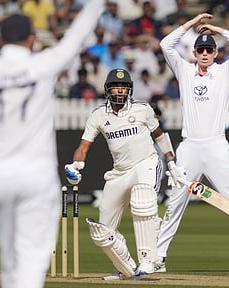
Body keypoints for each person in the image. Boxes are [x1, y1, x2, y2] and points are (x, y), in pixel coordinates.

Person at [0, 0, 105, 287]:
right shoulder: (44, 63)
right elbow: (77, 34)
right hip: (34, 173)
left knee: (11, 262)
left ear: (1, 38)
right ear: (31, 39)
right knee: (30, 260)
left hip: (2, 175)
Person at [155, 13, 229, 273]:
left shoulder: (225, 71)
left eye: (210, 49)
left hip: (217, 146)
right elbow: (165, 45)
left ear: (216, 53)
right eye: (201, 50)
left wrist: (217, 29)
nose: (206, 54)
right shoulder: (184, 70)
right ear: (195, 53)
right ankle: (158, 258)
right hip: (189, 147)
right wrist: (190, 24)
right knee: (174, 203)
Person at [64, 68, 186, 280]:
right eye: (115, 87)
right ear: (107, 90)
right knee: (103, 232)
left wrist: (171, 162)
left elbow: (159, 136)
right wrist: (76, 164)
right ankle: (126, 269)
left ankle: (149, 259)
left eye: (123, 87)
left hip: (146, 163)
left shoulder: (143, 109)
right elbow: (84, 146)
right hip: (119, 172)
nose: (119, 91)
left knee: (142, 199)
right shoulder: (98, 115)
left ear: (129, 89)